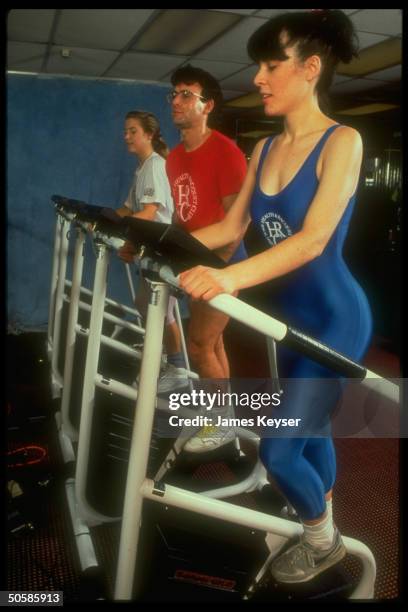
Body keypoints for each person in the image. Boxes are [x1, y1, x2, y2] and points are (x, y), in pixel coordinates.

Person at [178, 10, 372, 583]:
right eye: (258, 66)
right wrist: (163, 243)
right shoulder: (263, 149)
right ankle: (321, 512)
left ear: (310, 69)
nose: (258, 78)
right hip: (287, 321)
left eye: (271, 65)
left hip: (335, 318)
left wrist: (231, 278)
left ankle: (324, 541)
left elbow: (312, 241)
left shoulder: (343, 141)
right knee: (310, 432)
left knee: (279, 451)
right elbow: (231, 230)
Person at [165, 65, 248, 451]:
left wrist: (213, 270)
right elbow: (185, 216)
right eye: (174, 94)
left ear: (207, 105)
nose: (176, 101)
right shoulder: (174, 157)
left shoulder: (226, 154)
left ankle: (222, 424)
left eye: (186, 95)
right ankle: (221, 414)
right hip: (194, 261)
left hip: (222, 265)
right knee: (212, 346)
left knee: (199, 345)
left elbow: (235, 229)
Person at [117, 110, 188, 392]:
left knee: (162, 311)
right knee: (143, 303)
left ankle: (178, 366)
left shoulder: (155, 165)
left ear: (149, 135)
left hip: (164, 251)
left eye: (132, 131)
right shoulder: (142, 168)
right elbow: (127, 209)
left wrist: (127, 236)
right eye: (125, 131)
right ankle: (158, 351)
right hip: (151, 250)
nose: (126, 136)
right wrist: (101, 220)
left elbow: (148, 212)